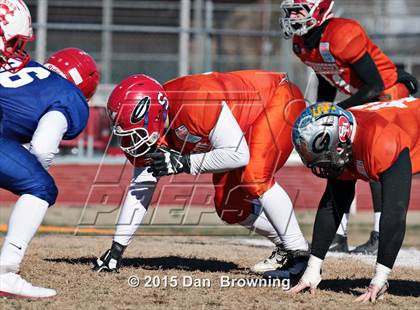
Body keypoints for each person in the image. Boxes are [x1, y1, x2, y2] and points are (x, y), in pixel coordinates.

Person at [94, 71, 310, 277]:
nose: (130, 142)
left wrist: (184, 163)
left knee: (255, 176)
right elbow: (141, 186)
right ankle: (284, 245)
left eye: (135, 133)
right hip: (240, 129)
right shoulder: (159, 125)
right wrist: (117, 249)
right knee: (230, 208)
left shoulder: (194, 101)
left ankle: (299, 255)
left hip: (277, 98)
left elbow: (238, 155)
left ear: (155, 115)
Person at [279, 0, 418, 254]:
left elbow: (375, 85)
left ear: (319, 10)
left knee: (375, 161)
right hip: (360, 100)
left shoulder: (342, 34)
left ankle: (378, 235)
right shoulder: (301, 44)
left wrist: (337, 111)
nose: (293, 16)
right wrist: (322, 109)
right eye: (290, 11)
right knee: (337, 161)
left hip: (387, 95)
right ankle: (337, 236)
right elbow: (327, 77)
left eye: (299, 11)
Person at [0, 3, 99, 297]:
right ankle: (6, 272)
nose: (18, 50)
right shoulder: (65, 95)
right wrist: (28, 171)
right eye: (16, 42)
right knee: (40, 187)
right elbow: (43, 148)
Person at [288, 99, 419, 302]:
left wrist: (379, 278)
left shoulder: (380, 141)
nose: (321, 165)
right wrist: (312, 269)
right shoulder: (344, 136)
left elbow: (395, 213)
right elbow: (333, 204)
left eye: (323, 155)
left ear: (339, 140)